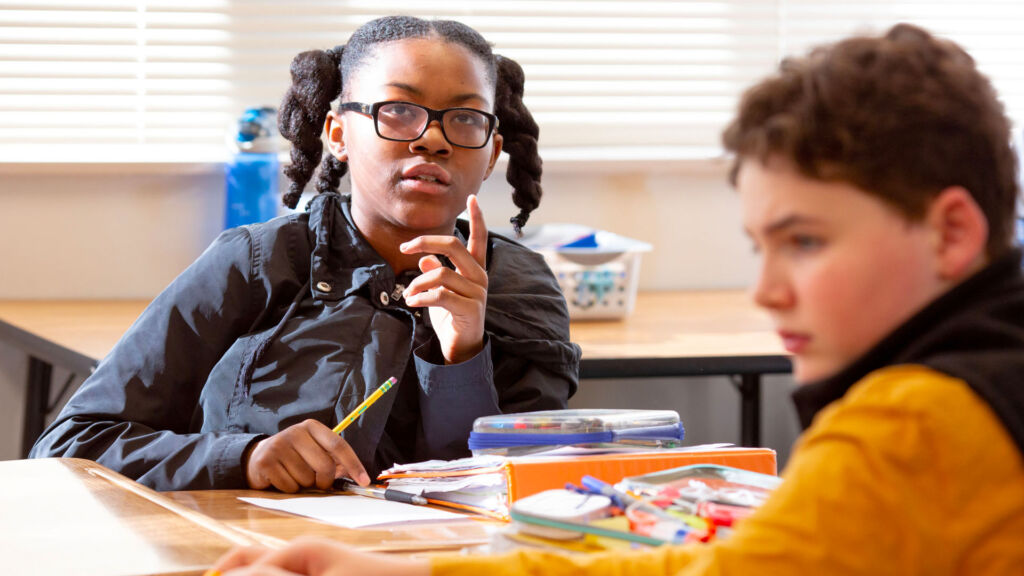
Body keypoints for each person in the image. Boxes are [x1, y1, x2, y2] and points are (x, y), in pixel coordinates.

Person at [208, 23, 1024, 576]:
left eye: (805, 241)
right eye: (761, 246)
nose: (767, 292)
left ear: (950, 233)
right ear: (339, 134)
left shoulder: (918, 426)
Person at [30, 16, 581, 492]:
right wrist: (243, 458)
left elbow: (520, 485)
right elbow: (72, 443)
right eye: (399, 110)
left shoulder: (519, 286)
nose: (432, 139)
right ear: (338, 134)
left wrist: (462, 358)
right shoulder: (255, 264)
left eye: (464, 119)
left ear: (490, 155)